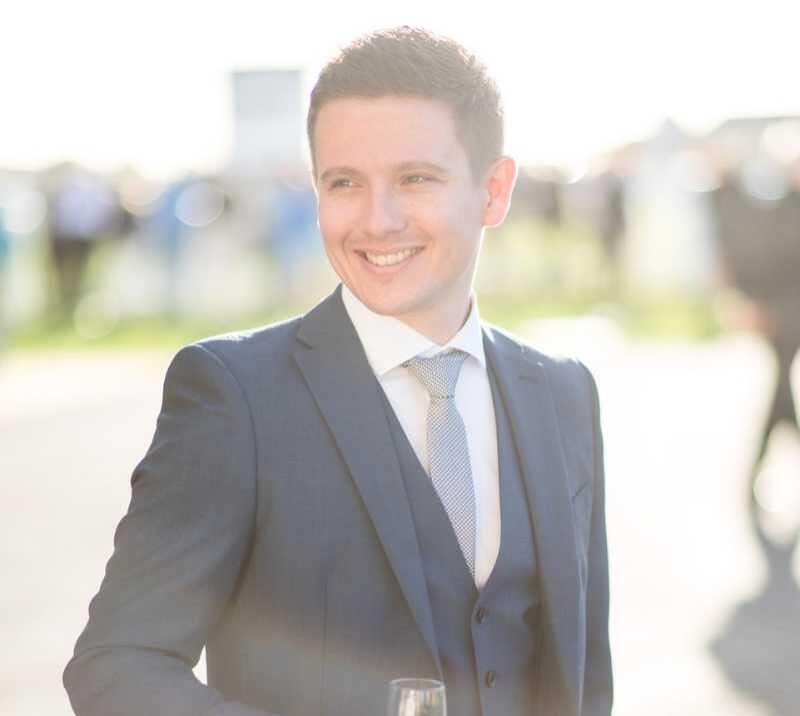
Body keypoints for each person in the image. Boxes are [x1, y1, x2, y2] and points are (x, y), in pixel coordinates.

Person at [64, 27, 612, 716]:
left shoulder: (564, 394)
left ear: (494, 191)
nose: (377, 221)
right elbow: (117, 666)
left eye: (415, 178)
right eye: (345, 183)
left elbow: (584, 676)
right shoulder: (234, 397)